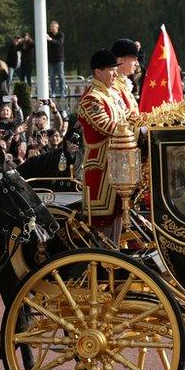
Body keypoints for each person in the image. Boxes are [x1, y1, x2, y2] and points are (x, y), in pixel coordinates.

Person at [78, 49, 132, 235]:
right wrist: (136, 129)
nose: (115, 73)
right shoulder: (91, 98)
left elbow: (128, 117)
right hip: (100, 168)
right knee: (102, 223)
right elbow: (108, 127)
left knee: (117, 216)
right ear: (98, 72)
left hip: (116, 166)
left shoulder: (112, 95)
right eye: (110, 70)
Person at [111, 38, 142, 114]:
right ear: (121, 60)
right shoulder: (112, 86)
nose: (137, 64)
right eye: (134, 59)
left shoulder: (122, 82)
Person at [47, 21, 65, 97]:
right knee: (52, 75)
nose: (51, 28)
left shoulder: (60, 35)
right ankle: (53, 91)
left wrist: (50, 39)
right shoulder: (48, 34)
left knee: (61, 75)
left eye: (53, 27)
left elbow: (59, 43)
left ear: (57, 27)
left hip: (59, 58)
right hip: (51, 59)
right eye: (50, 27)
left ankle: (62, 91)